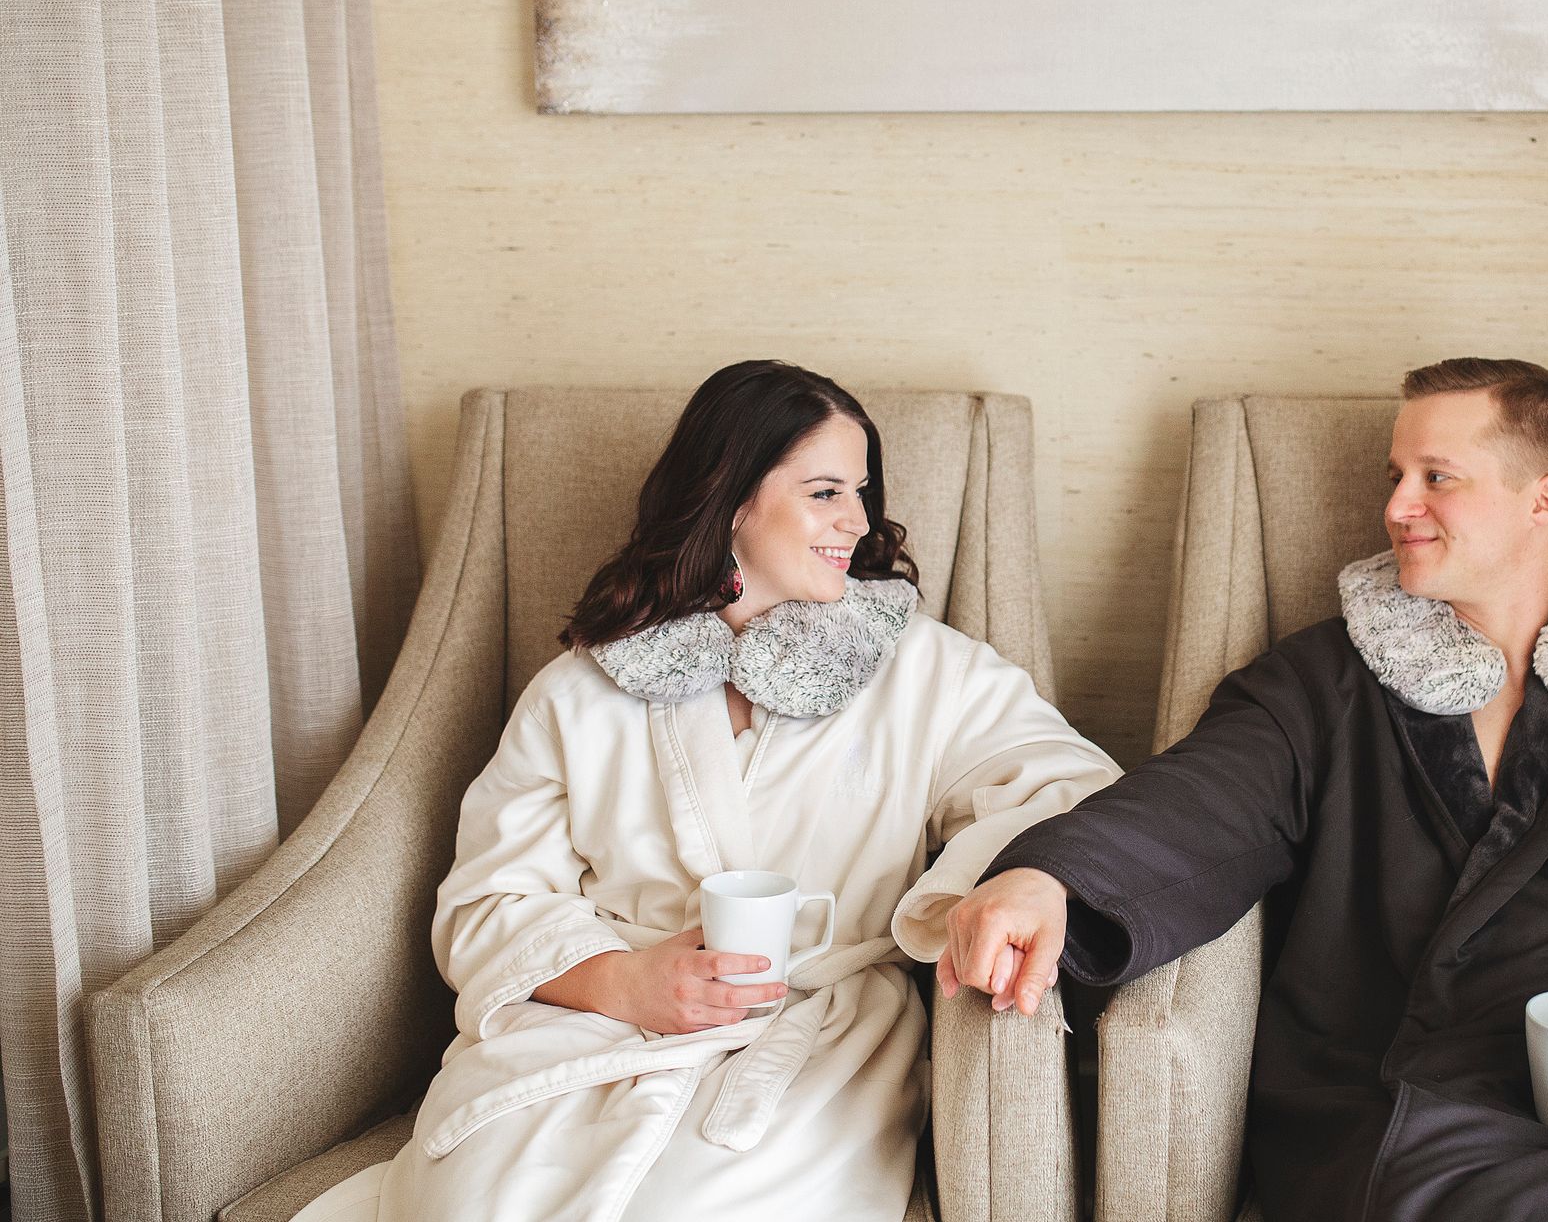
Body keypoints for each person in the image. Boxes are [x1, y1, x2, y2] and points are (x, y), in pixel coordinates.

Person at [942, 358, 1548, 1222]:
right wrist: (1051, 878)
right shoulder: (1326, 683)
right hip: (1405, 1103)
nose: (1396, 506)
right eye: (1394, 475)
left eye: (1435, 478)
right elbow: (1203, 801)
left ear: (1546, 498)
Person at [291, 360, 1118, 1222]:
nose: (857, 521)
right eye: (826, 491)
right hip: (588, 1034)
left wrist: (1019, 880)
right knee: (470, 1202)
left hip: (813, 1040)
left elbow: (1073, 786)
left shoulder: (921, 670)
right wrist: (623, 981)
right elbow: (485, 899)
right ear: (729, 499)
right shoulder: (583, 689)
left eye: (860, 492)